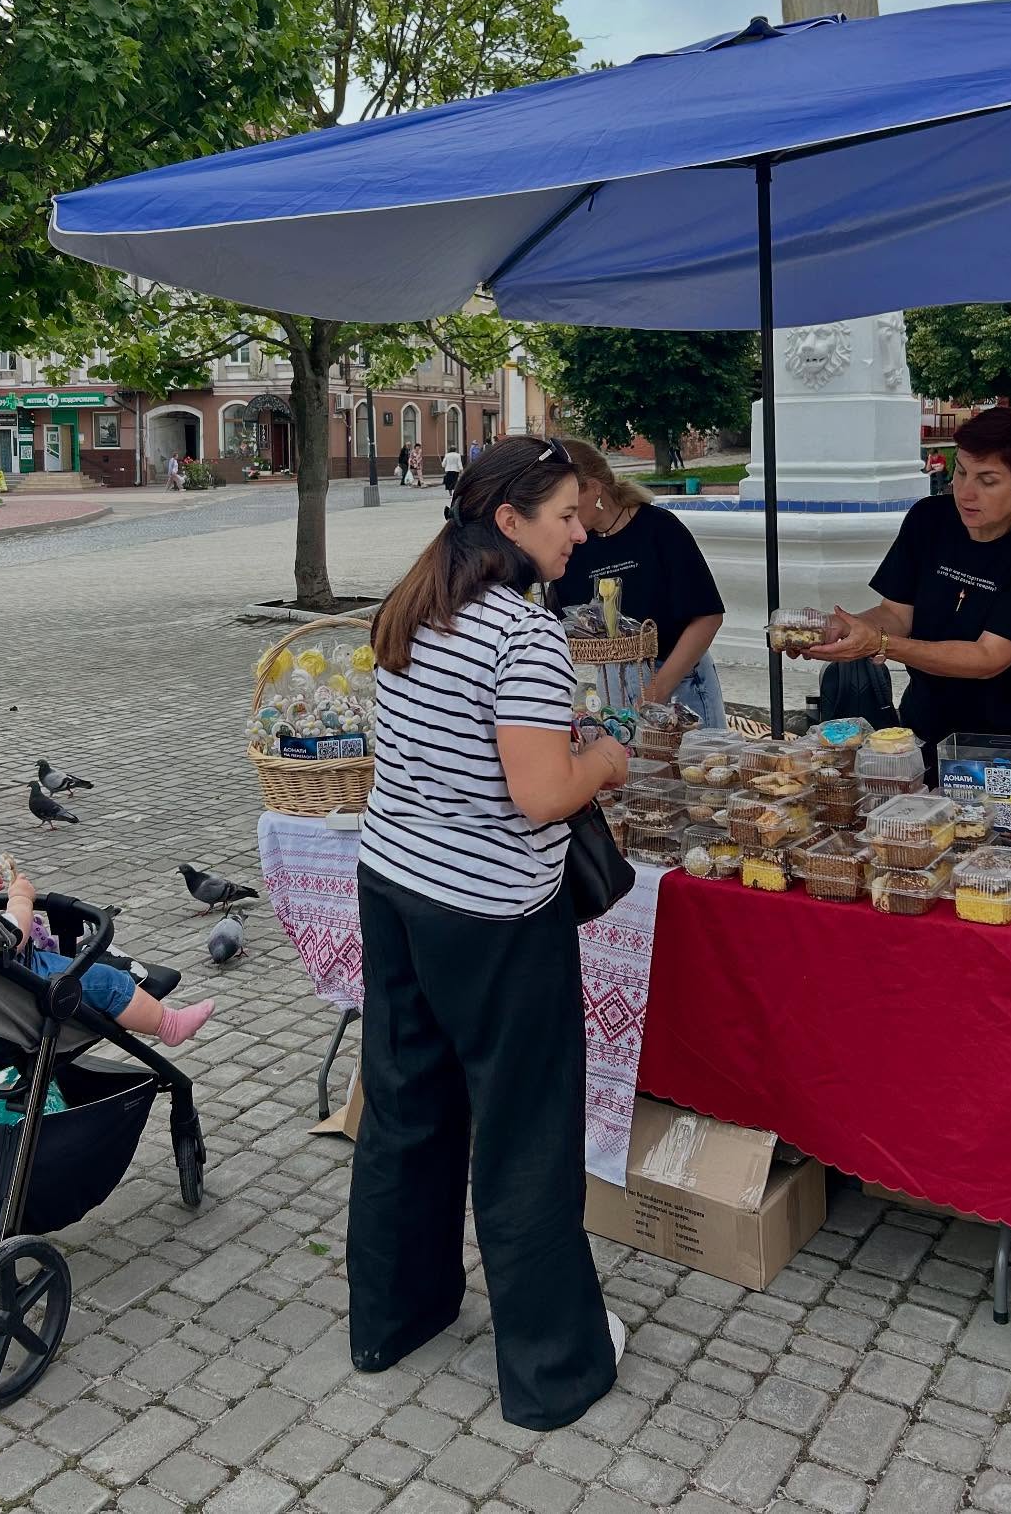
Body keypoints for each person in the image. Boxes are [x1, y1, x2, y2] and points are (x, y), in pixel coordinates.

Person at [349, 436, 630, 1430]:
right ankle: (554, 1369)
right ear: (508, 521)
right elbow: (541, 794)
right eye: (566, 515)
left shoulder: (415, 603)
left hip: (395, 884)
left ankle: (393, 1318)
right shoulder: (522, 633)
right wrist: (605, 761)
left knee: (406, 1106)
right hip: (494, 915)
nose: (581, 532)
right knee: (524, 1135)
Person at [808, 406, 1011, 778]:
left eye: (987, 481)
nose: (965, 492)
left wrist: (881, 644)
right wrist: (842, 628)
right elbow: (896, 614)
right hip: (928, 730)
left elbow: (988, 658)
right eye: (961, 471)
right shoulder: (929, 519)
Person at [557, 439, 727, 725]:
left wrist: (655, 692)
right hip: (613, 683)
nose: (567, 517)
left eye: (570, 505)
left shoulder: (659, 528)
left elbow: (708, 617)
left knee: (695, 756)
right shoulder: (573, 546)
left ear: (595, 488)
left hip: (680, 682)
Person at [0, 864, 214, 1046]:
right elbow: (12, 939)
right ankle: (168, 1024)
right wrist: (21, 899)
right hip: (17, 976)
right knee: (108, 982)